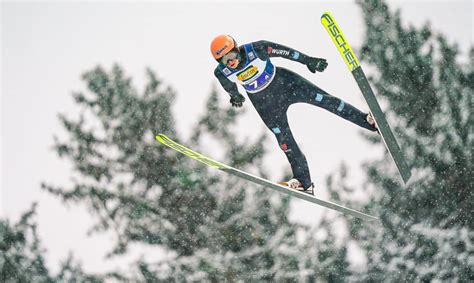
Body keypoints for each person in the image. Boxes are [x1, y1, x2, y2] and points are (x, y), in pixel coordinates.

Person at [210, 34, 377, 194]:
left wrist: (308, 61)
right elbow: (229, 87)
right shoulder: (221, 72)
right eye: (225, 60)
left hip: (287, 85)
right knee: (284, 140)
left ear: (237, 48)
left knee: (327, 101)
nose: (231, 62)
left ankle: (367, 121)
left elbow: (287, 52)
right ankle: (303, 182)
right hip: (265, 103)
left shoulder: (257, 49)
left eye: (231, 55)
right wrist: (235, 96)